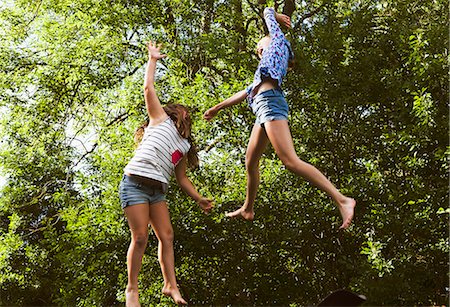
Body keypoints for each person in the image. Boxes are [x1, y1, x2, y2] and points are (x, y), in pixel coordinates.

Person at [203, 7, 355, 229]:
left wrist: (275, 17)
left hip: (270, 103)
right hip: (263, 108)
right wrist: (217, 107)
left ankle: (342, 199)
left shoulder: (277, 43)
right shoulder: (263, 70)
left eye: (259, 47)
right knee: (250, 161)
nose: (258, 50)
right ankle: (248, 208)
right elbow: (246, 92)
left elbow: (267, 10)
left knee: (290, 161)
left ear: (271, 42)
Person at [120, 41, 213, 306]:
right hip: (135, 184)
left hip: (157, 191)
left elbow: (182, 178)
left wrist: (198, 198)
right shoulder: (159, 120)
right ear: (175, 113)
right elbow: (148, 88)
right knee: (140, 238)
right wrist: (153, 60)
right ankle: (132, 290)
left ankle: (170, 285)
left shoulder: (184, 146)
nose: (188, 114)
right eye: (184, 110)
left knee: (167, 236)